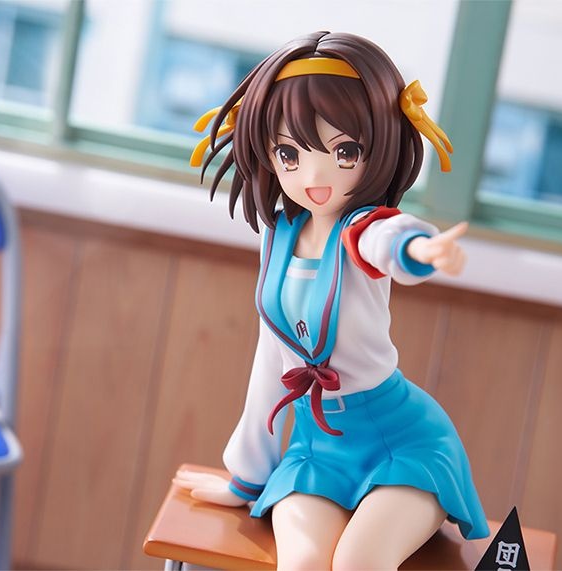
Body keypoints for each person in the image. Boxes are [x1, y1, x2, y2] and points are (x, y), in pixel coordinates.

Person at [176, 31, 489, 570]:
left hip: (400, 441)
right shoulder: (278, 238)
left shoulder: (360, 228)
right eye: (289, 153)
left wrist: (420, 249)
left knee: (359, 564)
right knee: (301, 563)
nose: (315, 176)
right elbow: (270, 365)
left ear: (380, 147)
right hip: (316, 448)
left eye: (345, 151)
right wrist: (246, 477)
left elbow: (385, 240)